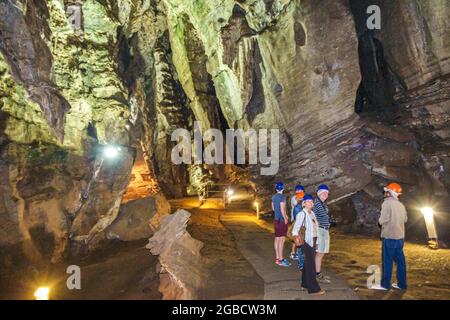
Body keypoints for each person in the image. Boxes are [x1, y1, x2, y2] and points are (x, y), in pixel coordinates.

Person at [372, 182, 408, 291]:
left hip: (390, 237)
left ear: (390, 192)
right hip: (400, 238)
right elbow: (405, 219)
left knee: (387, 261)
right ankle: (402, 284)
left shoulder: (387, 203)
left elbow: (382, 220)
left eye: (387, 191)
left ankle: (385, 285)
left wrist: (381, 220)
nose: (385, 193)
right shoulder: (401, 205)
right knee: (400, 262)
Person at [292, 194, 325, 295]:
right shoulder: (302, 214)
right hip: (306, 242)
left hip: (313, 241)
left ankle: (305, 284)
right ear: (304, 203)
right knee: (311, 265)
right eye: (308, 201)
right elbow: (295, 229)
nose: (310, 203)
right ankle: (313, 288)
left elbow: (315, 228)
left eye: (311, 201)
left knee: (307, 263)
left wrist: (318, 242)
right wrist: (297, 239)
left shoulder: (312, 214)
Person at [313, 184, 331, 283]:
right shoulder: (316, 203)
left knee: (322, 253)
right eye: (323, 192)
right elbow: (313, 217)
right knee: (319, 252)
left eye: (327, 193)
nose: (325, 194)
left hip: (325, 230)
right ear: (319, 193)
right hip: (320, 230)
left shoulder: (323, 204)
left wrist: (329, 221)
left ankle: (318, 273)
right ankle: (317, 274)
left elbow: (323, 216)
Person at [272, 182, 291, 267]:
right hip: (281, 221)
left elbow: (273, 208)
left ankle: (277, 258)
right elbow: (282, 209)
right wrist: (285, 218)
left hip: (276, 220)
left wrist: (280, 214)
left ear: (276, 189)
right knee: (282, 240)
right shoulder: (282, 197)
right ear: (283, 188)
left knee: (277, 239)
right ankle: (281, 259)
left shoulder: (274, 197)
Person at [290, 185, 305, 261]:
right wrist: (299, 198)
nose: (299, 192)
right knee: (295, 237)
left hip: (303, 221)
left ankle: (300, 253)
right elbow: (296, 205)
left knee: (302, 237)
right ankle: (293, 253)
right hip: (295, 220)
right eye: (298, 191)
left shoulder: (304, 198)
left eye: (301, 190)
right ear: (295, 191)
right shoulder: (293, 198)